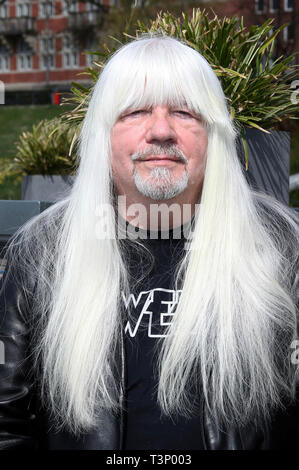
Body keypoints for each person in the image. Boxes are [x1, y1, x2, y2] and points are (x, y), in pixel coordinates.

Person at [0, 35, 298, 451]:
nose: (161, 131)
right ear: (103, 135)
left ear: (214, 135)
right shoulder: (43, 253)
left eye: (184, 112)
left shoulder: (284, 248)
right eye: (136, 112)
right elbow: (7, 423)